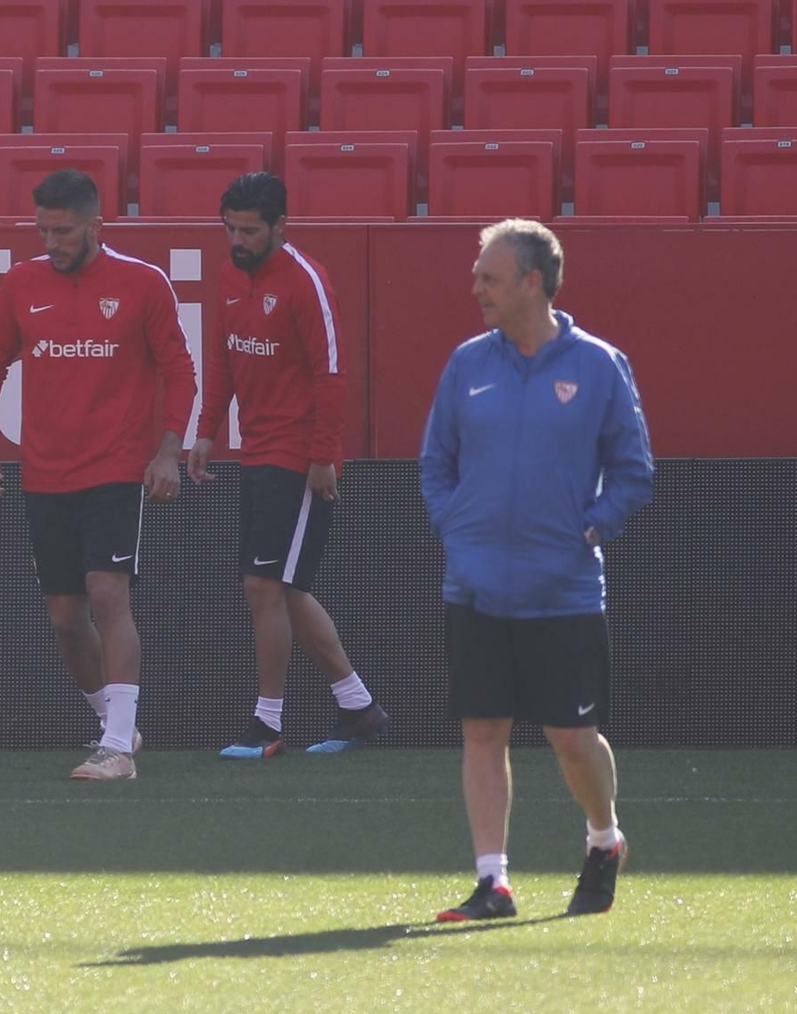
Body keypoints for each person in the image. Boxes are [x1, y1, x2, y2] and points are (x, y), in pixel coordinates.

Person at [420, 220, 653, 919]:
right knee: (482, 731)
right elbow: (437, 464)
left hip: (564, 591)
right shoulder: (467, 364)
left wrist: (592, 526)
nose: (476, 288)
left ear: (532, 282)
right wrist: (456, 529)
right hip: (476, 586)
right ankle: (493, 881)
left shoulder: (600, 365)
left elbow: (634, 473)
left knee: (572, 738)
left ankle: (603, 838)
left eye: (489, 277)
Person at [0, 169, 197, 782]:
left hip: (116, 468)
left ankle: (117, 747)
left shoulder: (143, 284)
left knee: (107, 595)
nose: (52, 242)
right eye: (43, 230)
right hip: (44, 472)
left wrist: (168, 449)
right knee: (66, 618)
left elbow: (180, 370)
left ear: (96, 225)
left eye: (63, 231)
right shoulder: (21, 284)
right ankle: (113, 725)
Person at [188, 172, 388, 759]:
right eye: (230, 229)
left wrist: (323, 454)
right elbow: (224, 360)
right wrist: (205, 433)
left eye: (249, 230)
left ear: (281, 226)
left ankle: (269, 723)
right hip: (256, 448)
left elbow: (332, 374)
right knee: (284, 588)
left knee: (264, 585)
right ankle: (358, 707)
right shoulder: (229, 278)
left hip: (297, 453)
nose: (238, 240)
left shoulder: (306, 282)